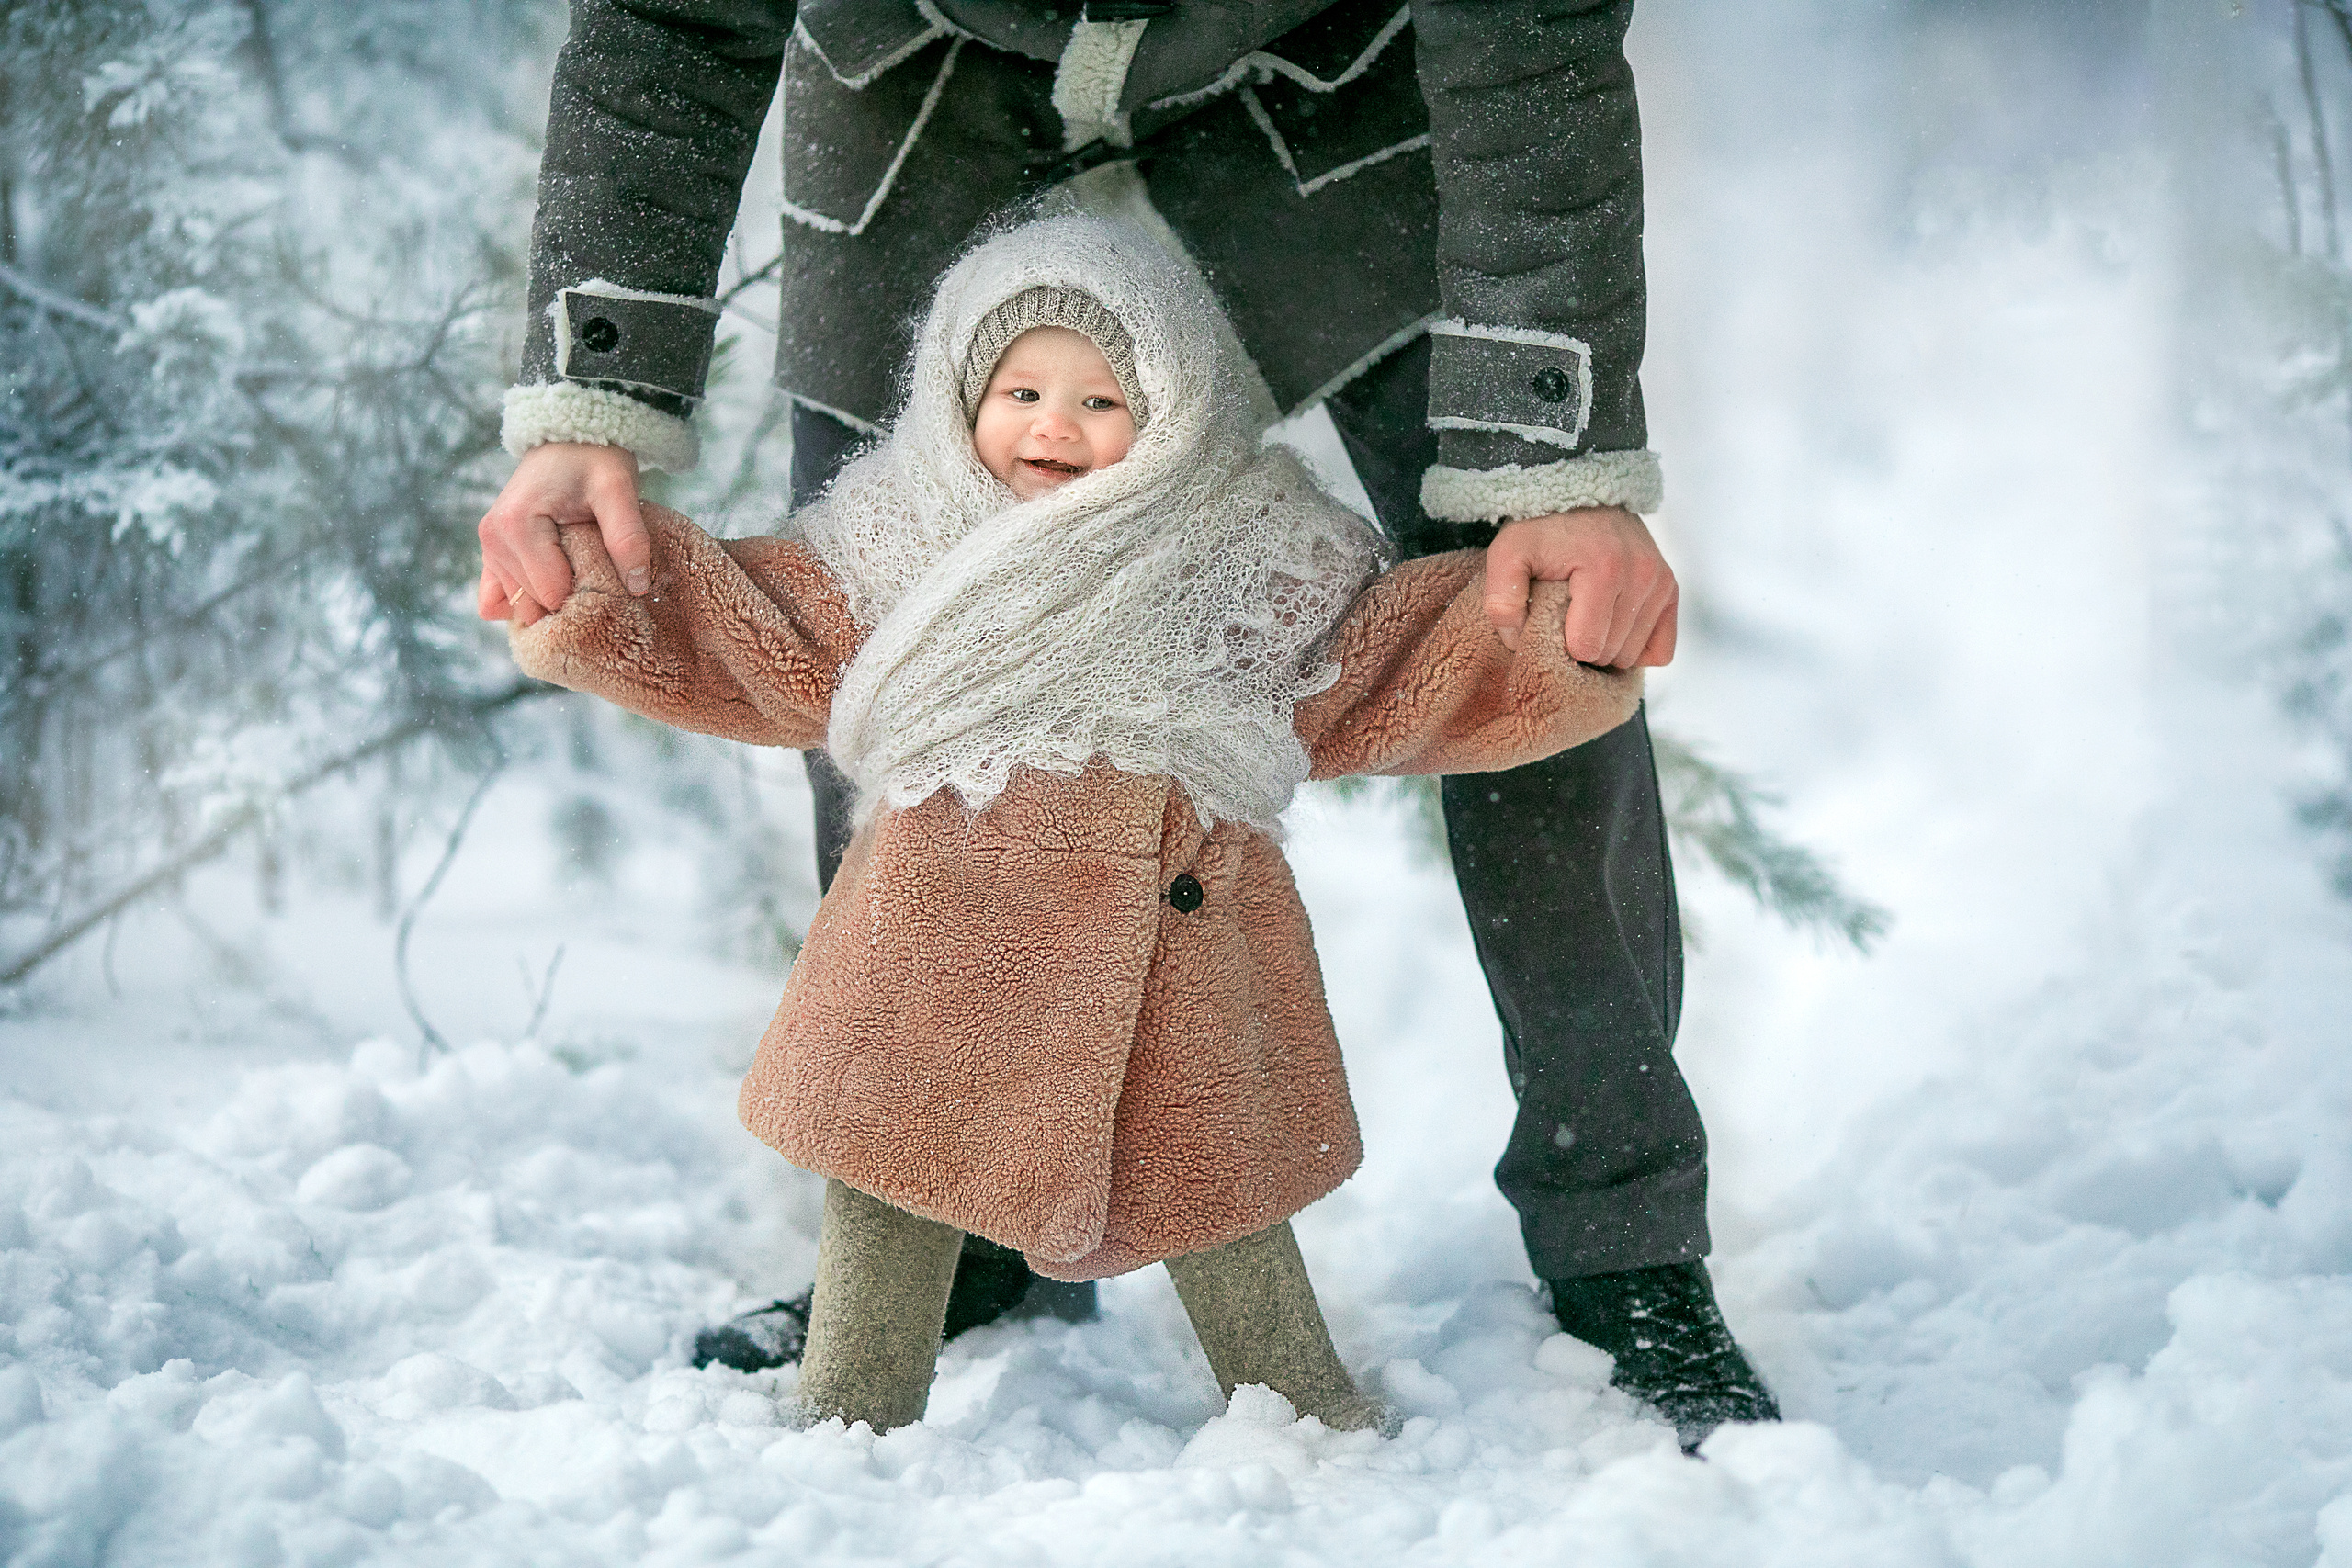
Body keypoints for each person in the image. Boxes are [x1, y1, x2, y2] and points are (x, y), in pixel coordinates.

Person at [476, 0, 1779, 1449]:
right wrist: (593, 398)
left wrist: (1562, 452)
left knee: (1535, 610)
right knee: (894, 653)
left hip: (1331, 92)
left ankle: (1624, 1235)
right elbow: (669, 17)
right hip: (919, 99)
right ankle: (957, 1212)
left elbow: (1525, 27)